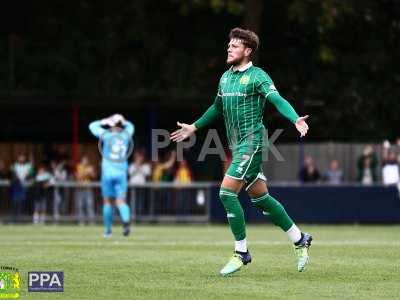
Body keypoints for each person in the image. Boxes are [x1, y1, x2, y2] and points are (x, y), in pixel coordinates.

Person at [171, 28, 312, 275]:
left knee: (226, 193)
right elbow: (216, 107)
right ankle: (300, 239)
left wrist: (295, 119)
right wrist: (194, 126)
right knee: (260, 198)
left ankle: (241, 252)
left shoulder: (258, 76)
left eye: (235, 46)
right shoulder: (225, 78)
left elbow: (276, 99)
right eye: (229, 44)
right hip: (237, 146)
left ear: (248, 51)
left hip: (253, 142)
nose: (229, 48)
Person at [89, 114, 134, 237]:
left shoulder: (106, 135)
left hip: (108, 172)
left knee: (107, 202)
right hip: (121, 172)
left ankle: (108, 231)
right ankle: (125, 222)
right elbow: (131, 126)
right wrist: (123, 121)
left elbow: (92, 126)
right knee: (121, 201)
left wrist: (104, 121)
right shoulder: (125, 135)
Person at [75, 156, 96, 225]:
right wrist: (86, 173)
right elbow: (78, 177)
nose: (85, 162)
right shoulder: (79, 167)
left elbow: (94, 176)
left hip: (88, 188)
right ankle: (81, 222)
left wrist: (91, 172)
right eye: (84, 160)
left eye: (86, 161)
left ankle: (91, 221)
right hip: (80, 189)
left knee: (90, 205)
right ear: (82, 161)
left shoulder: (90, 167)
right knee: (80, 206)